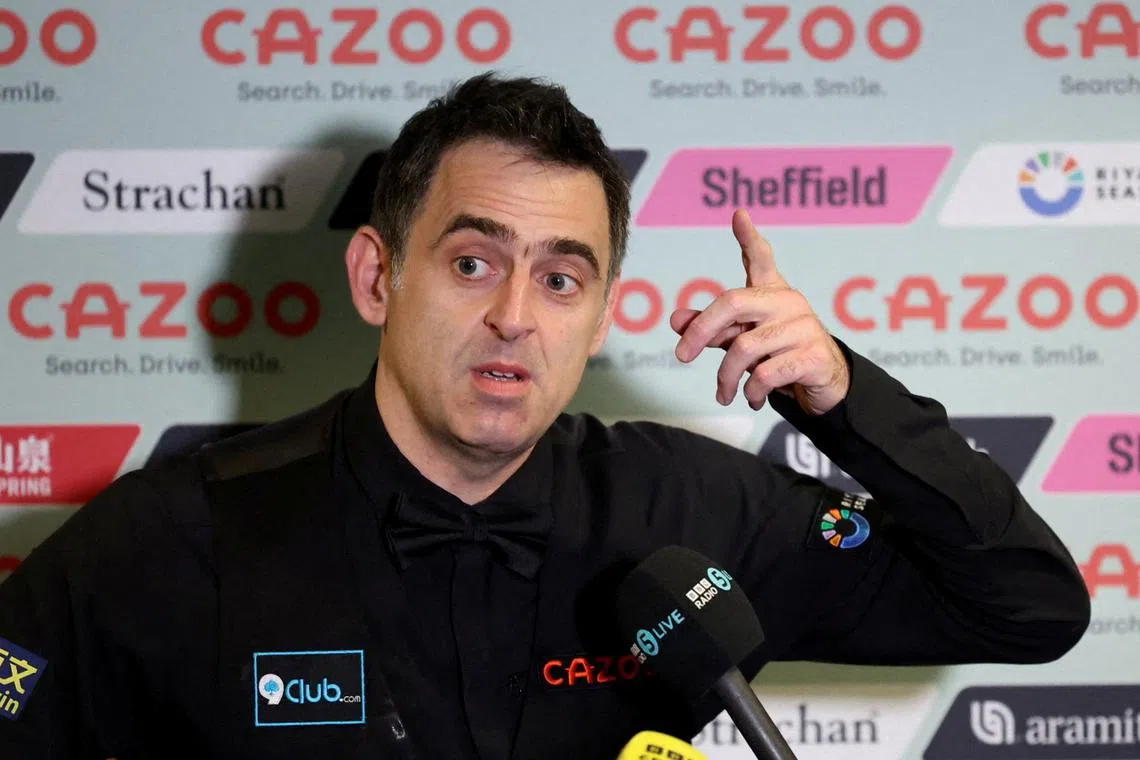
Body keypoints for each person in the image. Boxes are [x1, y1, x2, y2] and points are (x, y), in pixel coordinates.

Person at [0, 72, 1090, 760]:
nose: (516, 317)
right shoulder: (167, 540)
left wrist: (849, 401)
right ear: (377, 277)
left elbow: (1029, 608)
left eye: (563, 279)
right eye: (473, 262)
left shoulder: (695, 512)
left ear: (601, 311)